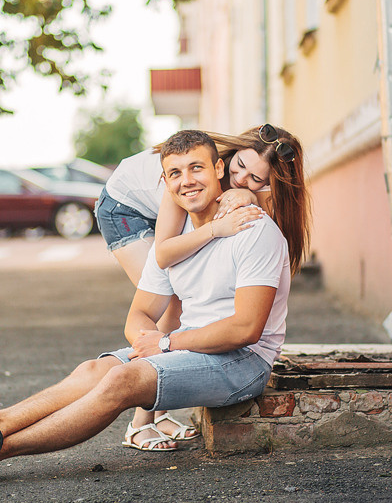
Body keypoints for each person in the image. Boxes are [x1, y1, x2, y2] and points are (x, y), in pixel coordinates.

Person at [0, 130, 292, 485]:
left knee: (122, 379)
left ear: (218, 170)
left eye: (196, 168)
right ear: (165, 183)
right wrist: (150, 340)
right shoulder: (176, 241)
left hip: (243, 362)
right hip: (190, 349)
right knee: (97, 368)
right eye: (175, 173)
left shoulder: (252, 229)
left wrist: (165, 345)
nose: (186, 180)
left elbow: (245, 329)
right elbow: (139, 315)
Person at [92, 124, 309, 450]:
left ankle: (158, 406)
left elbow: (265, 217)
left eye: (256, 180)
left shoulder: (244, 186)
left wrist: (251, 196)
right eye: (239, 169)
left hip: (145, 206)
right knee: (173, 297)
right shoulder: (191, 174)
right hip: (123, 207)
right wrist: (216, 229)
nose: (240, 180)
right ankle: (141, 422)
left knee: (182, 295)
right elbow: (164, 253)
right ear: (228, 158)